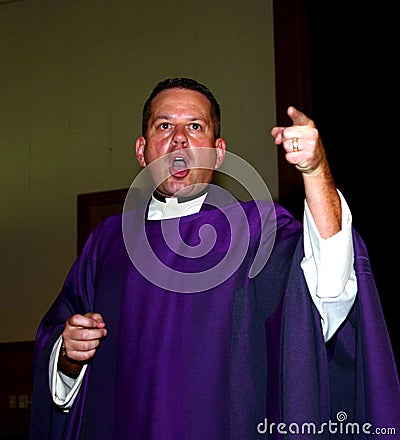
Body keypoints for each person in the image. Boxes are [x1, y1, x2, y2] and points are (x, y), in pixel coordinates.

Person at [30, 78, 399, 439]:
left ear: (218, 152)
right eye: (164, 125)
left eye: (195, 126)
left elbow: (329, 284)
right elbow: (60, 339)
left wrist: (315, 171)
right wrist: (68, 355)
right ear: (142, 150)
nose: (179, 138)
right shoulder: (107, 242)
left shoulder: (257, 228)